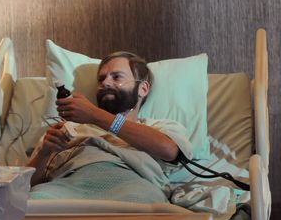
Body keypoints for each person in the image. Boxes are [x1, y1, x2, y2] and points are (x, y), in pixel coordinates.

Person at [27, 51, 192, 202]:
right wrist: (44, 153)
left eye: (117, 77)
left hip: (134, 187)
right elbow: (25, 184)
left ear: (143, 88)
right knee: (35, 201)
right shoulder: (67, 129)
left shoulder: (158, 127)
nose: (105, 83)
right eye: (101, 79)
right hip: (65, 188)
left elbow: (169, 150)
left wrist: (95, 115)